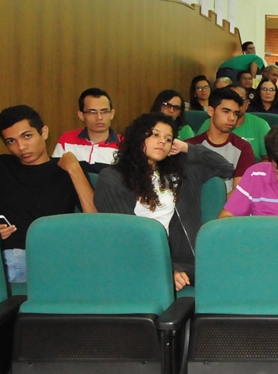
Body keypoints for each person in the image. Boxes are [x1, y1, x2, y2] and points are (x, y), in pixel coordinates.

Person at [95, 112, 233, 291]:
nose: (162, 141)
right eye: (155, 135)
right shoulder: (113, 178)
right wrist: (167, 269)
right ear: (138, 138)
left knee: (231, 273)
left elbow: (226, 168)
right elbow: (124, 235)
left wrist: (187, 148)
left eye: (168, 139)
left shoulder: (180, 173)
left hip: (183, 258)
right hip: (136, 259)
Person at [0, 105, 96, 283]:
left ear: (44, 132)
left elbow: (96, 219)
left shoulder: (66, 170)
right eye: (11, 141)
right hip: (5, 258)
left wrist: (74, 169)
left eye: (27, 136)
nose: (21, 147)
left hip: (53, 257)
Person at [187, 87, 256, 191]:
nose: (232, 118)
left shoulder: (243, 148)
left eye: (235, 113)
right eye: (226, 111)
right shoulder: (190, 146)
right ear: (211, 111)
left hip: (230, 202)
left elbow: (240, 192)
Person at [52, 87, 121, 172]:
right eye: (92, 112)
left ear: (112, 114)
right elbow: (54, 173)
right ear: (81, 115)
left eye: (104, 111)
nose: (99, 117)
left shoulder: (125, 145)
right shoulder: (66, 140)